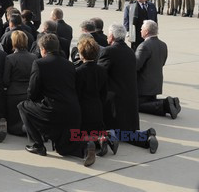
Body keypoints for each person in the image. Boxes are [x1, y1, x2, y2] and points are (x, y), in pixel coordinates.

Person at [18, 34, 96, 167]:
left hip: (53, 110)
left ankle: (38, 145)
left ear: (43, 49)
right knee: (63, 149)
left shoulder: (39, 63)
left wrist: (35, 102)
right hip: (72, 110)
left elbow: (32, 90)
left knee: (23, 106)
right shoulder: (69, 64)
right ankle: (86, 146)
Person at [97, 24, 158, 154]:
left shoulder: (108, 51)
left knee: (114, 131)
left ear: (112, 36)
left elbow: (100, 74)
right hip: (129, 96)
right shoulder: (130, 51)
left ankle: (141, 138)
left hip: (114, 99)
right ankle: (146, 137)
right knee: (124, 131)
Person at [75, 36, 113, 155]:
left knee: (80, 134)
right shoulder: (101, 70)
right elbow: (104, 92)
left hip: (83, 106)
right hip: (97, 105)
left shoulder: (79, 71)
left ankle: (95, 142)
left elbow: (77, 92)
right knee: (96, 129)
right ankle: (103, 139)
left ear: (81, 54)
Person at [136, 20, 180, 119]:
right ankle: (169, 102)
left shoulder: (144, 46)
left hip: (143, 86)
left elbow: (136, 66)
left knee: (137, 105)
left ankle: (165, 104)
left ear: (146, 31)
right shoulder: (163, 45)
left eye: (141, 29)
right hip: (156, 85)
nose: (140, 31)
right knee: (149, 102)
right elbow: (162, 63)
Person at [3, 31, 36, 136]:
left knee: (13, 123)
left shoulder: (10, 58)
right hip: (28, 93)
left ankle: (21, 129)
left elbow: (6, 80)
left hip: (13, 93)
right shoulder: (34, 57)